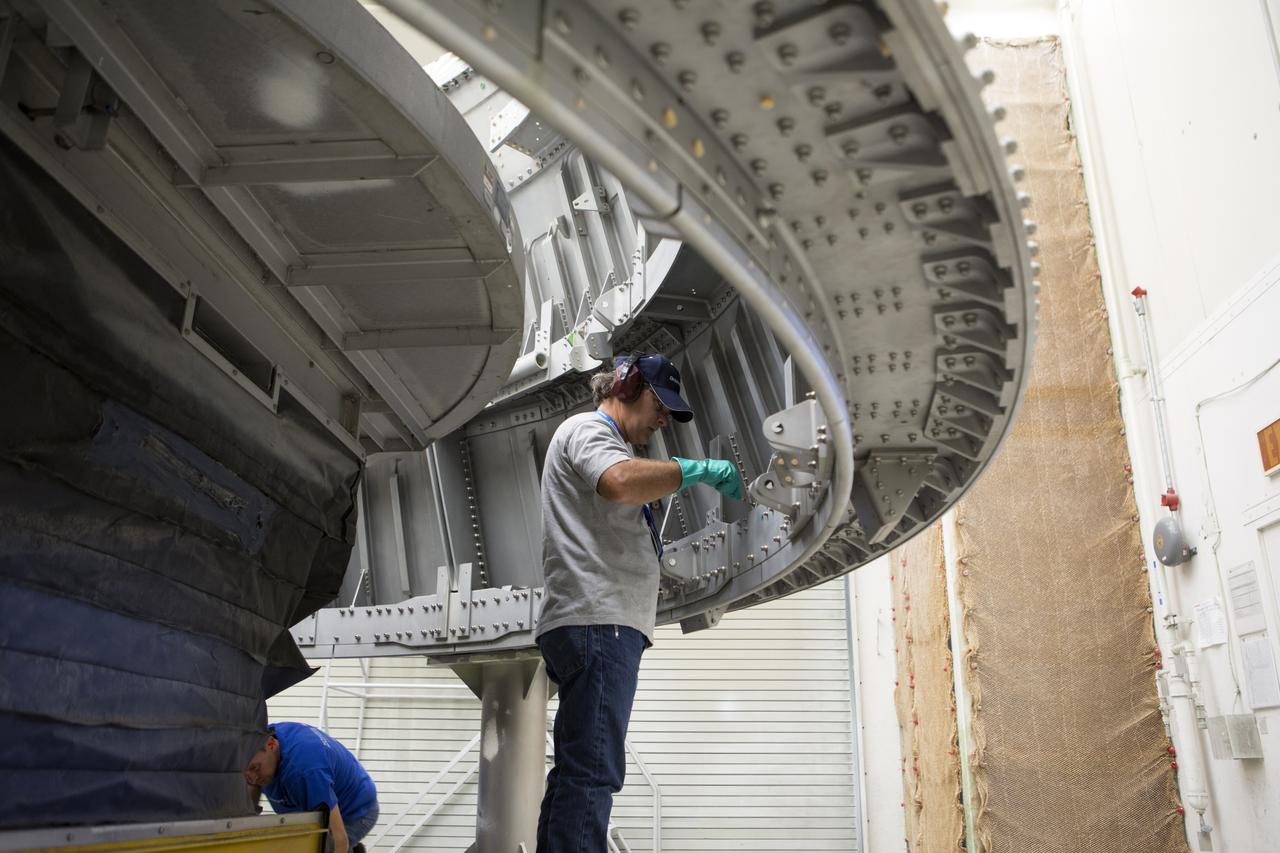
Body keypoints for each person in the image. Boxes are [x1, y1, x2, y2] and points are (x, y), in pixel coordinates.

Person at [535, 353, 743, 853]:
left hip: (592, 621)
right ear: (626, 385)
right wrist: (691, 470)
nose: (662, 418)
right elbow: (619, 481)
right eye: (658, 403)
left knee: (577, 770)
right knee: (593, 769)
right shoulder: (588, 430)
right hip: (598, 620)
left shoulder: (601, 439)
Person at [243, 722, 379, 853]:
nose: (253, 779)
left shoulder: (308, 771)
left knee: (326, 848)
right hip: (309, 801)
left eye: (256, 769)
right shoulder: (257, 742)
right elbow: (249, 799)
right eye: (246, 773)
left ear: (271, 744)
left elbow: (340, 840)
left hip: (355, 811)